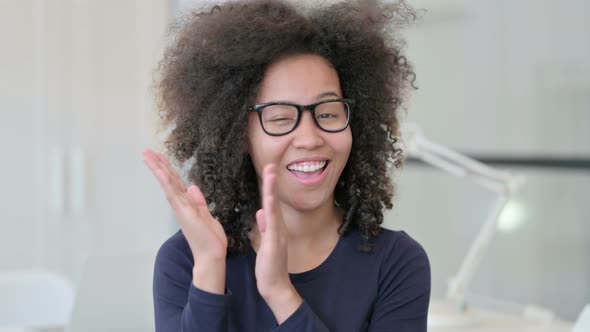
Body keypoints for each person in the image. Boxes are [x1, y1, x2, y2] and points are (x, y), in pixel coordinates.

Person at [142, 0, 430, 331]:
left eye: (327, 114)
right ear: (238, 136)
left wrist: (281, 294)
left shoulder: (396, 263)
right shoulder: (186, 259)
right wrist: (209, 267)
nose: (309, 137)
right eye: (281, 119)